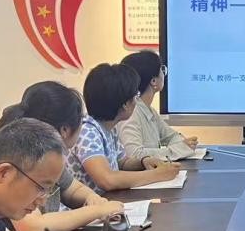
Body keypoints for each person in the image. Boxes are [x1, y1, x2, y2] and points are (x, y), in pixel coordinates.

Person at [0, 81, 127, 231]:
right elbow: (32, 228)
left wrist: (93, 199)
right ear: (65, 130)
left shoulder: (49, 156)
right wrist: (97, 211)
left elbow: (73, 189)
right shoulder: (21, 156)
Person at [70, 63, 181, 195]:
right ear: (124, 104)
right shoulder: (87, 132)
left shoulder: (109, 127)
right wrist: (158, 175)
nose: (136, 101)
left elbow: (122, 163)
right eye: (135, 96)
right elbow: (107, 179)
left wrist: (144, 161)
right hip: (89, 206)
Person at [118, 50, 198, 166]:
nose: (164, 74)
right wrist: (178, 150)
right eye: (162, 70)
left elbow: (171, 136)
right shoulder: (130, 113)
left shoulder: (149, 110)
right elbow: (135, 155)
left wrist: (183, 145)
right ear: (154, 81)